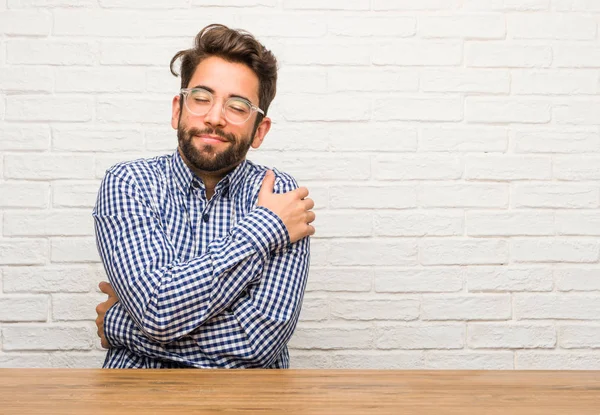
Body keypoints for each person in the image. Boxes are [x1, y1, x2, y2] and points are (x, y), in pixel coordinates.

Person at [92, 24, 315, 369]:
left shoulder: (283, 196)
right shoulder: (128, 183)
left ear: (260, 131)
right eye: (201, 98)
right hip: (136, 399)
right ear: (177, 109)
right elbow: (157, 310)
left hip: (247, 403)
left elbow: (256, 344)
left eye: (238, 107)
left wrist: (119, 325)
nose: (214, 118)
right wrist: (265, 230)